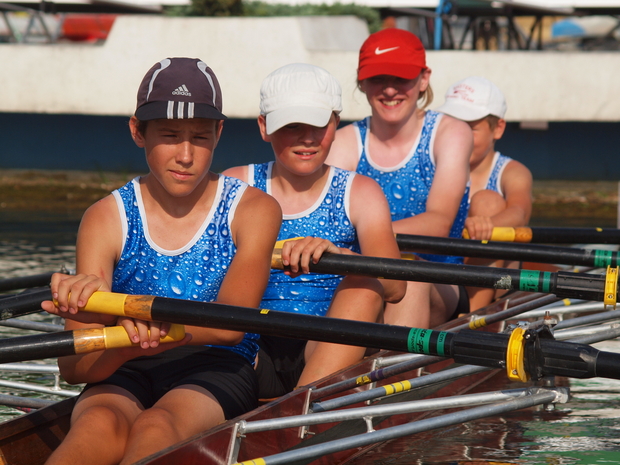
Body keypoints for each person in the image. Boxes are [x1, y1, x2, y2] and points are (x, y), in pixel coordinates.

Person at [41, 57, 282, 465]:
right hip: (126, 360)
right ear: (138, 131)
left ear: (219, 133)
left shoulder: (254, 209)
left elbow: (229, 327)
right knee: (97, 424)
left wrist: (142, 324)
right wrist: (125, 345)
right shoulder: (104, 218)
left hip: (216, 363)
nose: (185, 155)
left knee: (156, 426)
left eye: (200, 137)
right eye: (170, 135)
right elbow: (74, 368)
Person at [223, 63, 406, 398]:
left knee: (366, 286)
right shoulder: (235, 184)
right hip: (250, 346)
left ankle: (300, 411)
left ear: (335, 123)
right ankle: (299, 411)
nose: (307, 138)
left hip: (327, 344)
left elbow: (395, 286)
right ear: (264, 127)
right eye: (292, 125)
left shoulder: (361, 192)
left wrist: (343, 258)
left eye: (318, 124)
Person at [327, 28, 473, 329]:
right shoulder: (343, 142)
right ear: (362, 82)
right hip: (363, 270)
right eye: (378, 78)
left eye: (400, 78)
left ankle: (393, 360)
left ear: (423, 79)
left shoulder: (450, 133)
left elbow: (438, 223)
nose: (390, 90)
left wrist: (370, 238)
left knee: (408, 275)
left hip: (437, 276)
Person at [435, 76, 533, 310]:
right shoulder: (432, 166)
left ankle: (470, 315)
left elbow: (519, 213)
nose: (459, 136)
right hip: (447, 270)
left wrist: (485, 225)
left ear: (498, 128)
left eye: (470, 128)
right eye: (452, 125)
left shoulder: (512, 172)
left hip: (497, 279)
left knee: (487, 201)